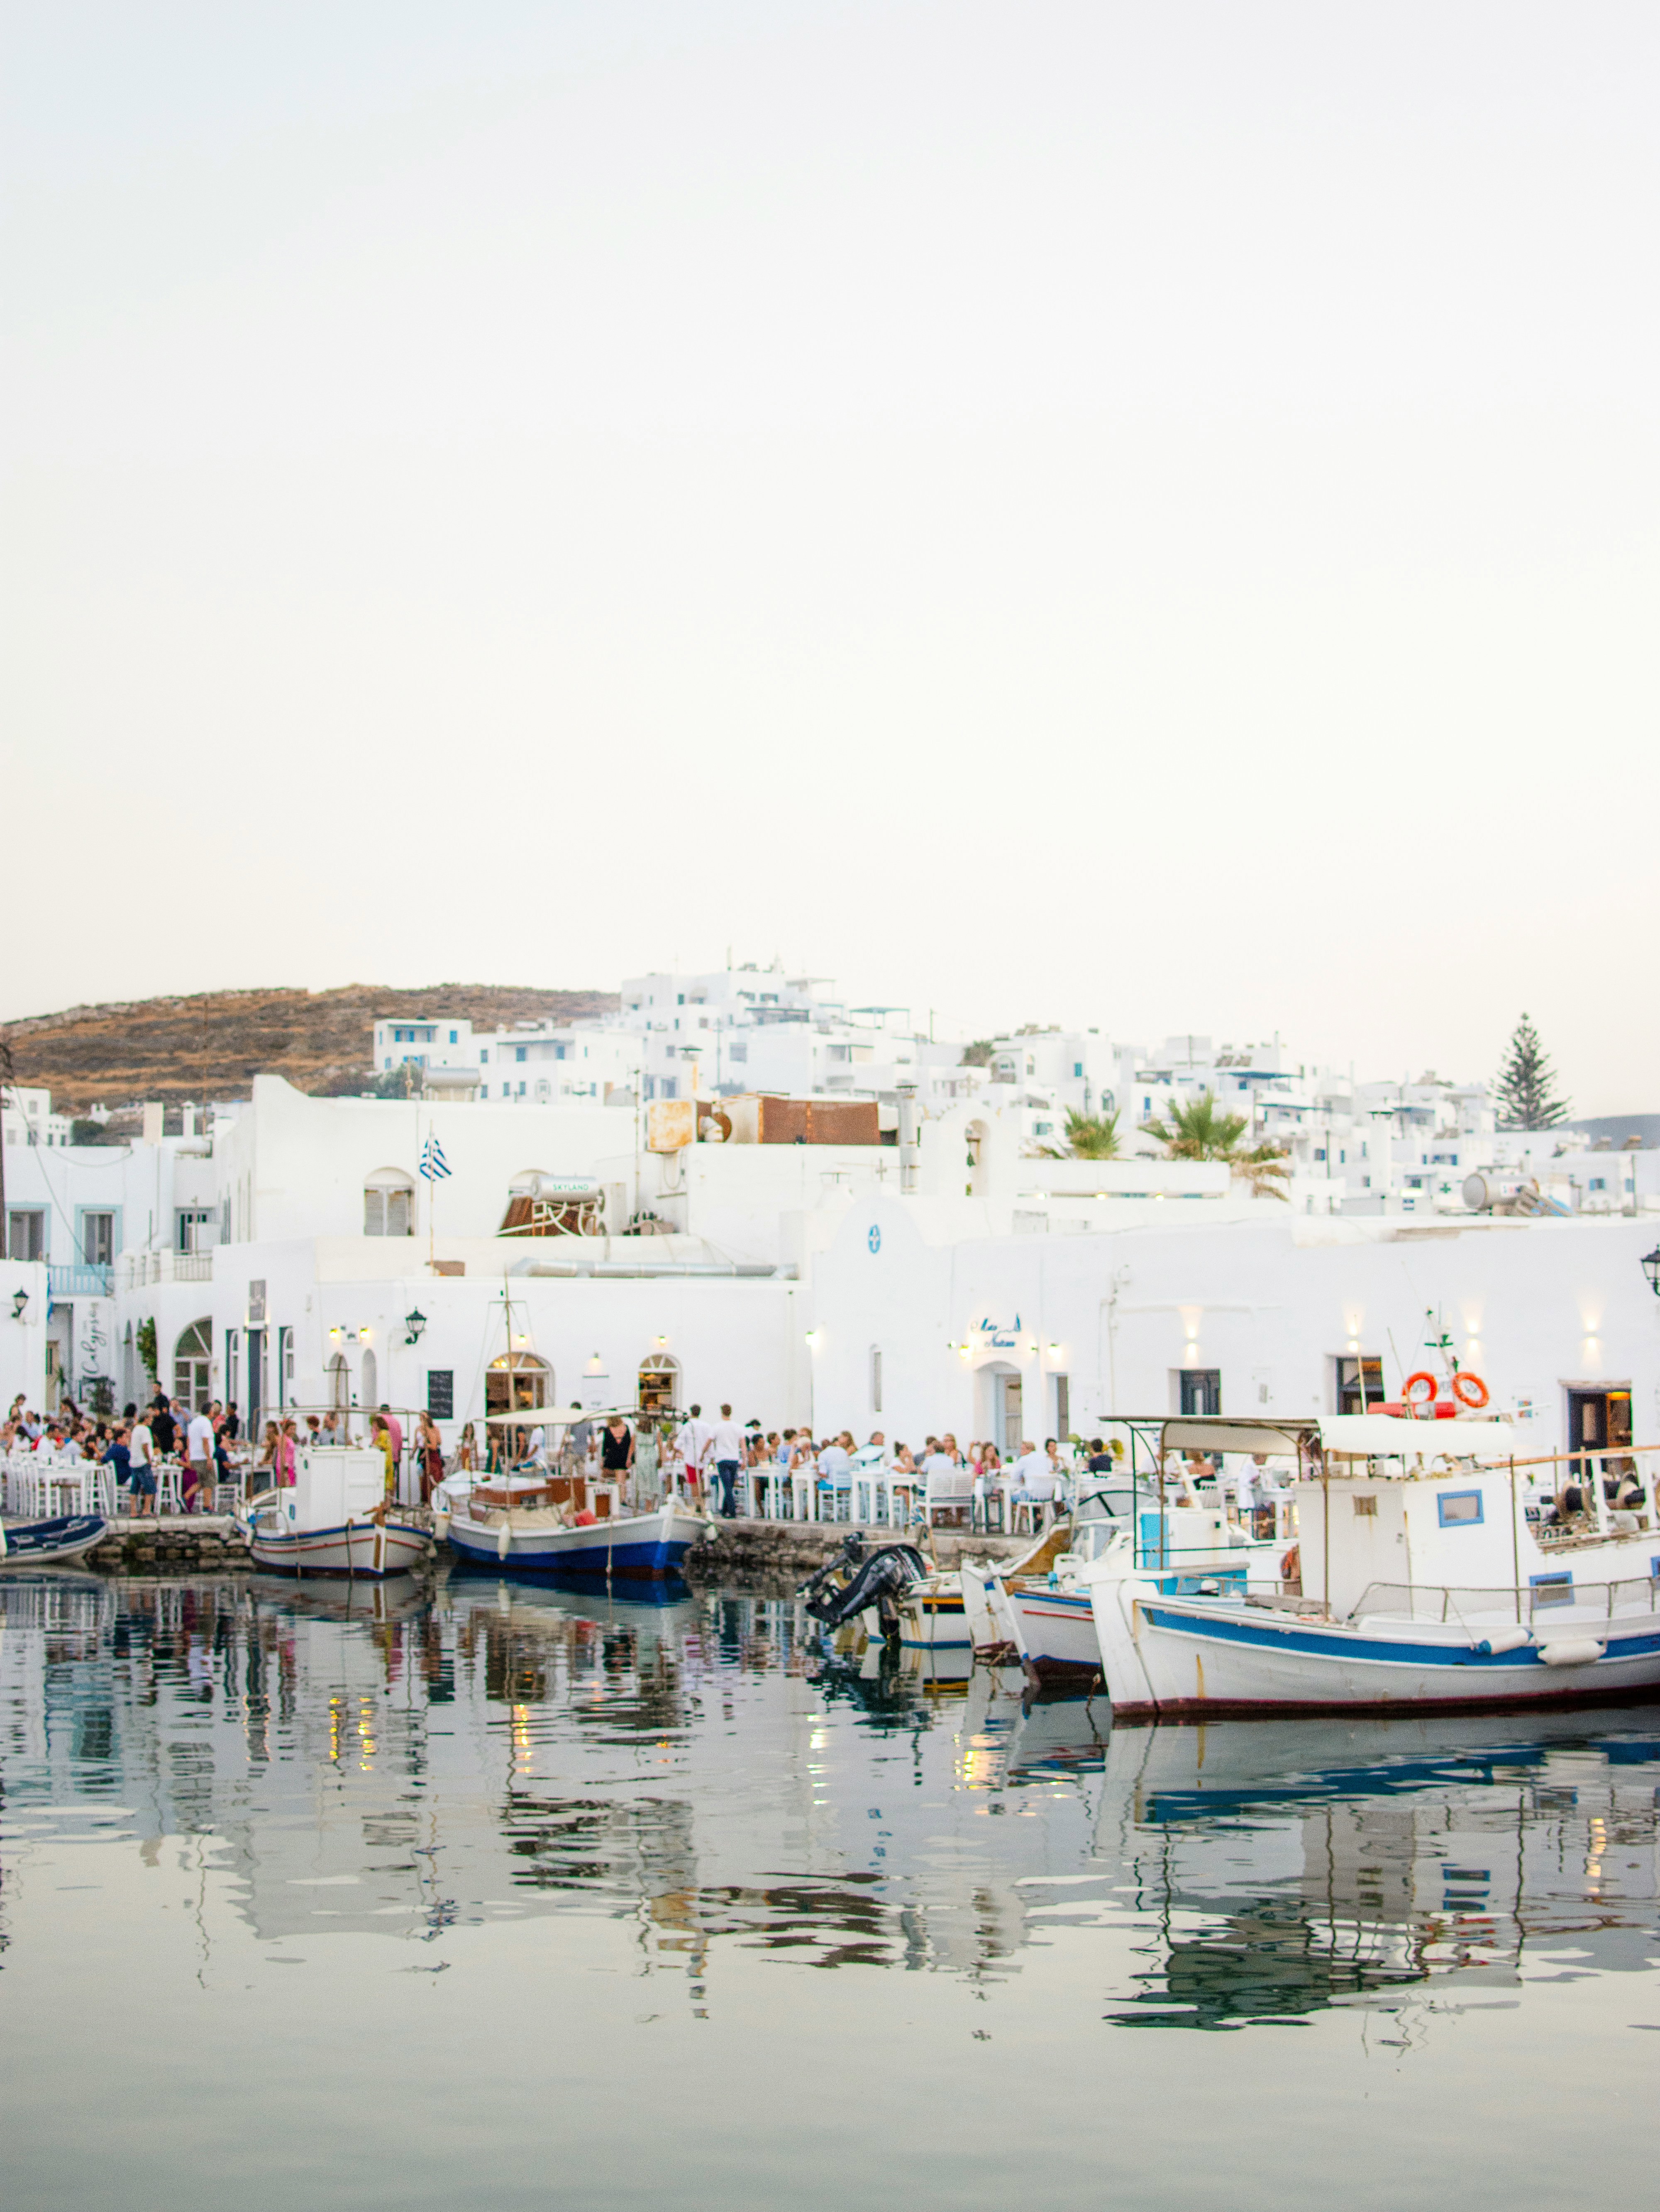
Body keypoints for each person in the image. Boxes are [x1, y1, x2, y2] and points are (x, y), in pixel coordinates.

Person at [707, 1404, 745, 1518]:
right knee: (729, 1485)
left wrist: (705, 1454)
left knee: (727, 1486)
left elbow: (709, 1442)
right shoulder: (738, 1427)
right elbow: (743, 1446)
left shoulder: (717, 1427)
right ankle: (725, 1510)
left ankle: (732, 1511)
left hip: (722, 1459)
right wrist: (745, 1460)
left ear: (721, 1413)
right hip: (734, 1459)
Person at [184, 1403, 216, 1512]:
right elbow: (205, 1441)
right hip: (203, 1457)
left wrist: (189, 1451)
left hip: (195, 1456)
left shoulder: (195, 1422)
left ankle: (185, 1497)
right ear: (210, 1411)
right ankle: (207, 1507)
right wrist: (209, 1458)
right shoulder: (206, 1423)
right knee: (210, 1481)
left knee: (202, 1481)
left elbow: (189, 1439)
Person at [675, 1403, 710, 1502]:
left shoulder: (688, 1426)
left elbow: (679, 1442)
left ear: (691, 1412)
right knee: (702, 1482)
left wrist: (676, 1451)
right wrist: (711, 1457)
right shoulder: (706, 1426)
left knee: (694, 1483)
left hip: (691, 1458)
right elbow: (710, 1442)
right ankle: (702, 1503)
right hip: (703, 1459)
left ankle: (698, 1505)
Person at [128, 1408, 157, 1516]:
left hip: (134, 1462)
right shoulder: (145, 1430)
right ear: (146, 1419)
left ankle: (133, 1512)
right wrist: (149, 1459)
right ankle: (146, 1510)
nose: (152, 1420)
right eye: (151, 1418)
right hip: (143, 1462)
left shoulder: (136, 1429)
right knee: (150, 1487)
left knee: (135, 1487)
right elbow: (145, 1446)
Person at [601, 1413, 635, 1490]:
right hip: (623, 1458)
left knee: (606, 1481)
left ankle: (611, 1498)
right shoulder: (626, 1428)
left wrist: (603, 1461)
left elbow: (605, 1447)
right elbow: (629, 1444)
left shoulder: (607, 1430)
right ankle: (622, 1499)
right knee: (622, 1483)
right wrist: (629, 1458)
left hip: (611, 1459)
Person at [418, 1411, 445, 1503]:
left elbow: (434, 1446)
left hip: (434, 1459)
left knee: (434, 1478)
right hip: (428, 1458)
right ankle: (426, 1500)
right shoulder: (426, 1434)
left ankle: (434, 1500)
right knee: (425, 1480)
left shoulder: (432, 1433)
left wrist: (427, 1445)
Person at [369, 1413, 397, 1499]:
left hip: (385, 1462)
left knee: (385, 1485)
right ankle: (387, 1505)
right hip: (388, 1462)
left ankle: (385, 1505)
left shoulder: (383, 1434)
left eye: (375, 1425)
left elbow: (383, 1447)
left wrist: (373, 1446)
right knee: (388, 1484)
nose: (374, 1428)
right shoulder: (385, 1433)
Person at [149, 1393, 177, 1459]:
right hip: (158, 1449)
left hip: (169, 1447)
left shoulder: (166, 1417)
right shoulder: (151, 1420)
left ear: (155, 1410)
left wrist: (177, 1441)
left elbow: (178, 1428)